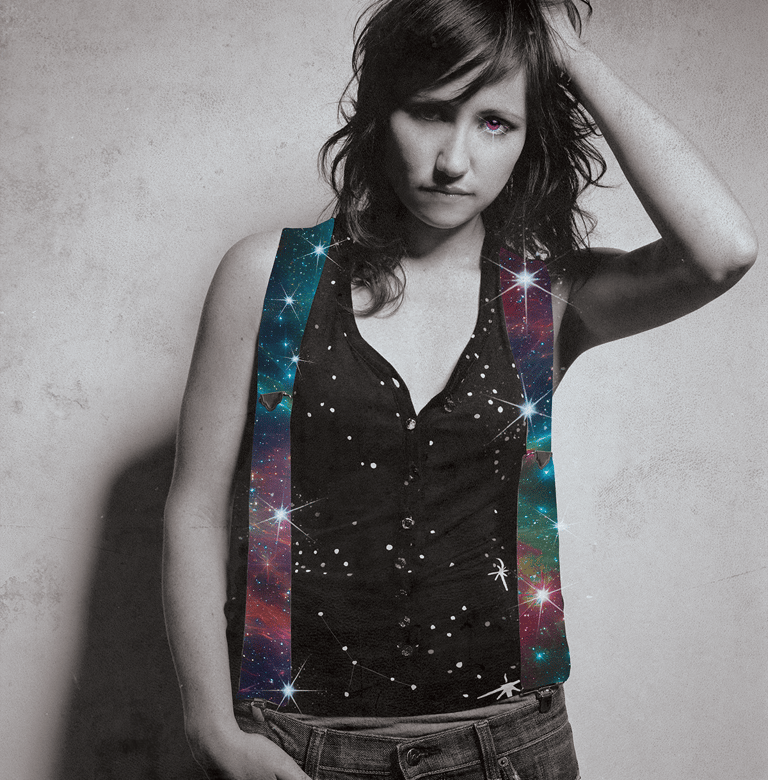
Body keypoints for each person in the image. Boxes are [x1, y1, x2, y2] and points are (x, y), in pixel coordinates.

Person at [162, 0, 757, 778]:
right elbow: (197, 510)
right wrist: (212, 729)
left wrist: (563, 53)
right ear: (381, 111)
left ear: (530, 137)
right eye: (430, 111)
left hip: (508, 744)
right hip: (298, 745)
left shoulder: (543, 298)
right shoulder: (270, 276)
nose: (453, 159)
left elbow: (723, 251)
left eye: (495, 123)